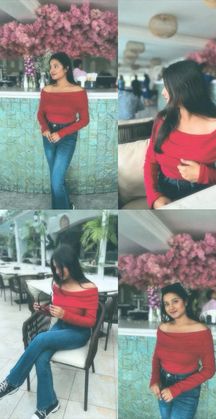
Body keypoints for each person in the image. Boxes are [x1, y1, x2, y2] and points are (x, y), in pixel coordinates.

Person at [0, 244, 98, 419]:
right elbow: (56, 309)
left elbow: (90, 321)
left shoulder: (89, 289)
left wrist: (65, 314)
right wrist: (43, 309)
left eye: (61, 267)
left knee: (40, 339)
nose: (58, 272)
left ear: (72, 264)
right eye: (55, 268)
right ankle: (49, 404)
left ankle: (11, 382)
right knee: (41, 358)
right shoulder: (57, 284)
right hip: (60, 327)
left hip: (79, 333)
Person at [144, 60, 216, 209]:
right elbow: (150, 161)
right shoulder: (163, 120)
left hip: (204, 191)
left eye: (167, 87)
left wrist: (204, 174)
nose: (163, 92)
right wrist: (154, 197)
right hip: (164, 191)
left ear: (185, 88)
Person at [150, 283, 216, 419]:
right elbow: (157, 357)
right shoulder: (163, 328)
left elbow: (209, 369)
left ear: (185, 301)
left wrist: (176, 389)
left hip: (187, 389)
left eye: (175, 301)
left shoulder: (202, 332)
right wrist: (154, 380)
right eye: (167, 304)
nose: (171, 307)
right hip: (163, 384)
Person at [37, 52, 89, 210]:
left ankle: (63, 210)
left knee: (56, 180)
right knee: (56, 178)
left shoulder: (79, 92)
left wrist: (61, 133)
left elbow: (85, 120)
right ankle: (67, 207)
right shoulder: (46, 90)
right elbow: (40, 114)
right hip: (48, 136)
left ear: (66, 68)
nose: (51, 70)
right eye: (50, 66)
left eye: (56, 66)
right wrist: (45, 128)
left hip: (67, 137)